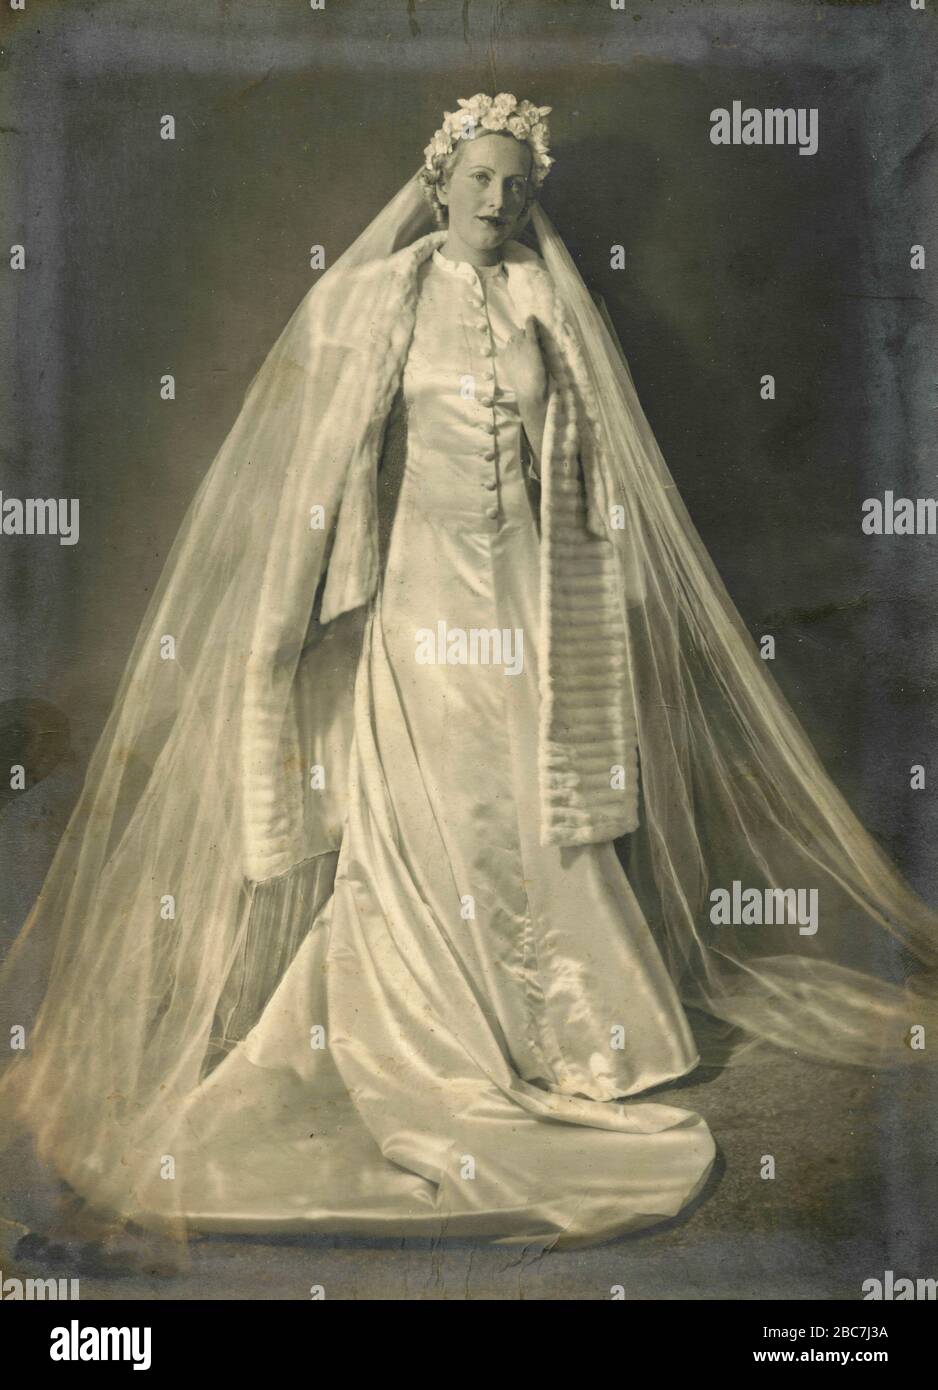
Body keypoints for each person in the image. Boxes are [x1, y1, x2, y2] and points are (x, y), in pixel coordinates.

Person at [2, 95, 936, 1256]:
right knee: (431, 815)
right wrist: (307, 614)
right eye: (478, 179)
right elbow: (315, 466)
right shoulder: (373, 299)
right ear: (438, 181)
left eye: (514, 185)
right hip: (417, 604)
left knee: (539, 810)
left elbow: (590, 486)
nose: (496, 202)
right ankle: (431, 1035)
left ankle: (570, 1035)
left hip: (529, 602)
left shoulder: (548, 304)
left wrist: (579, 603)